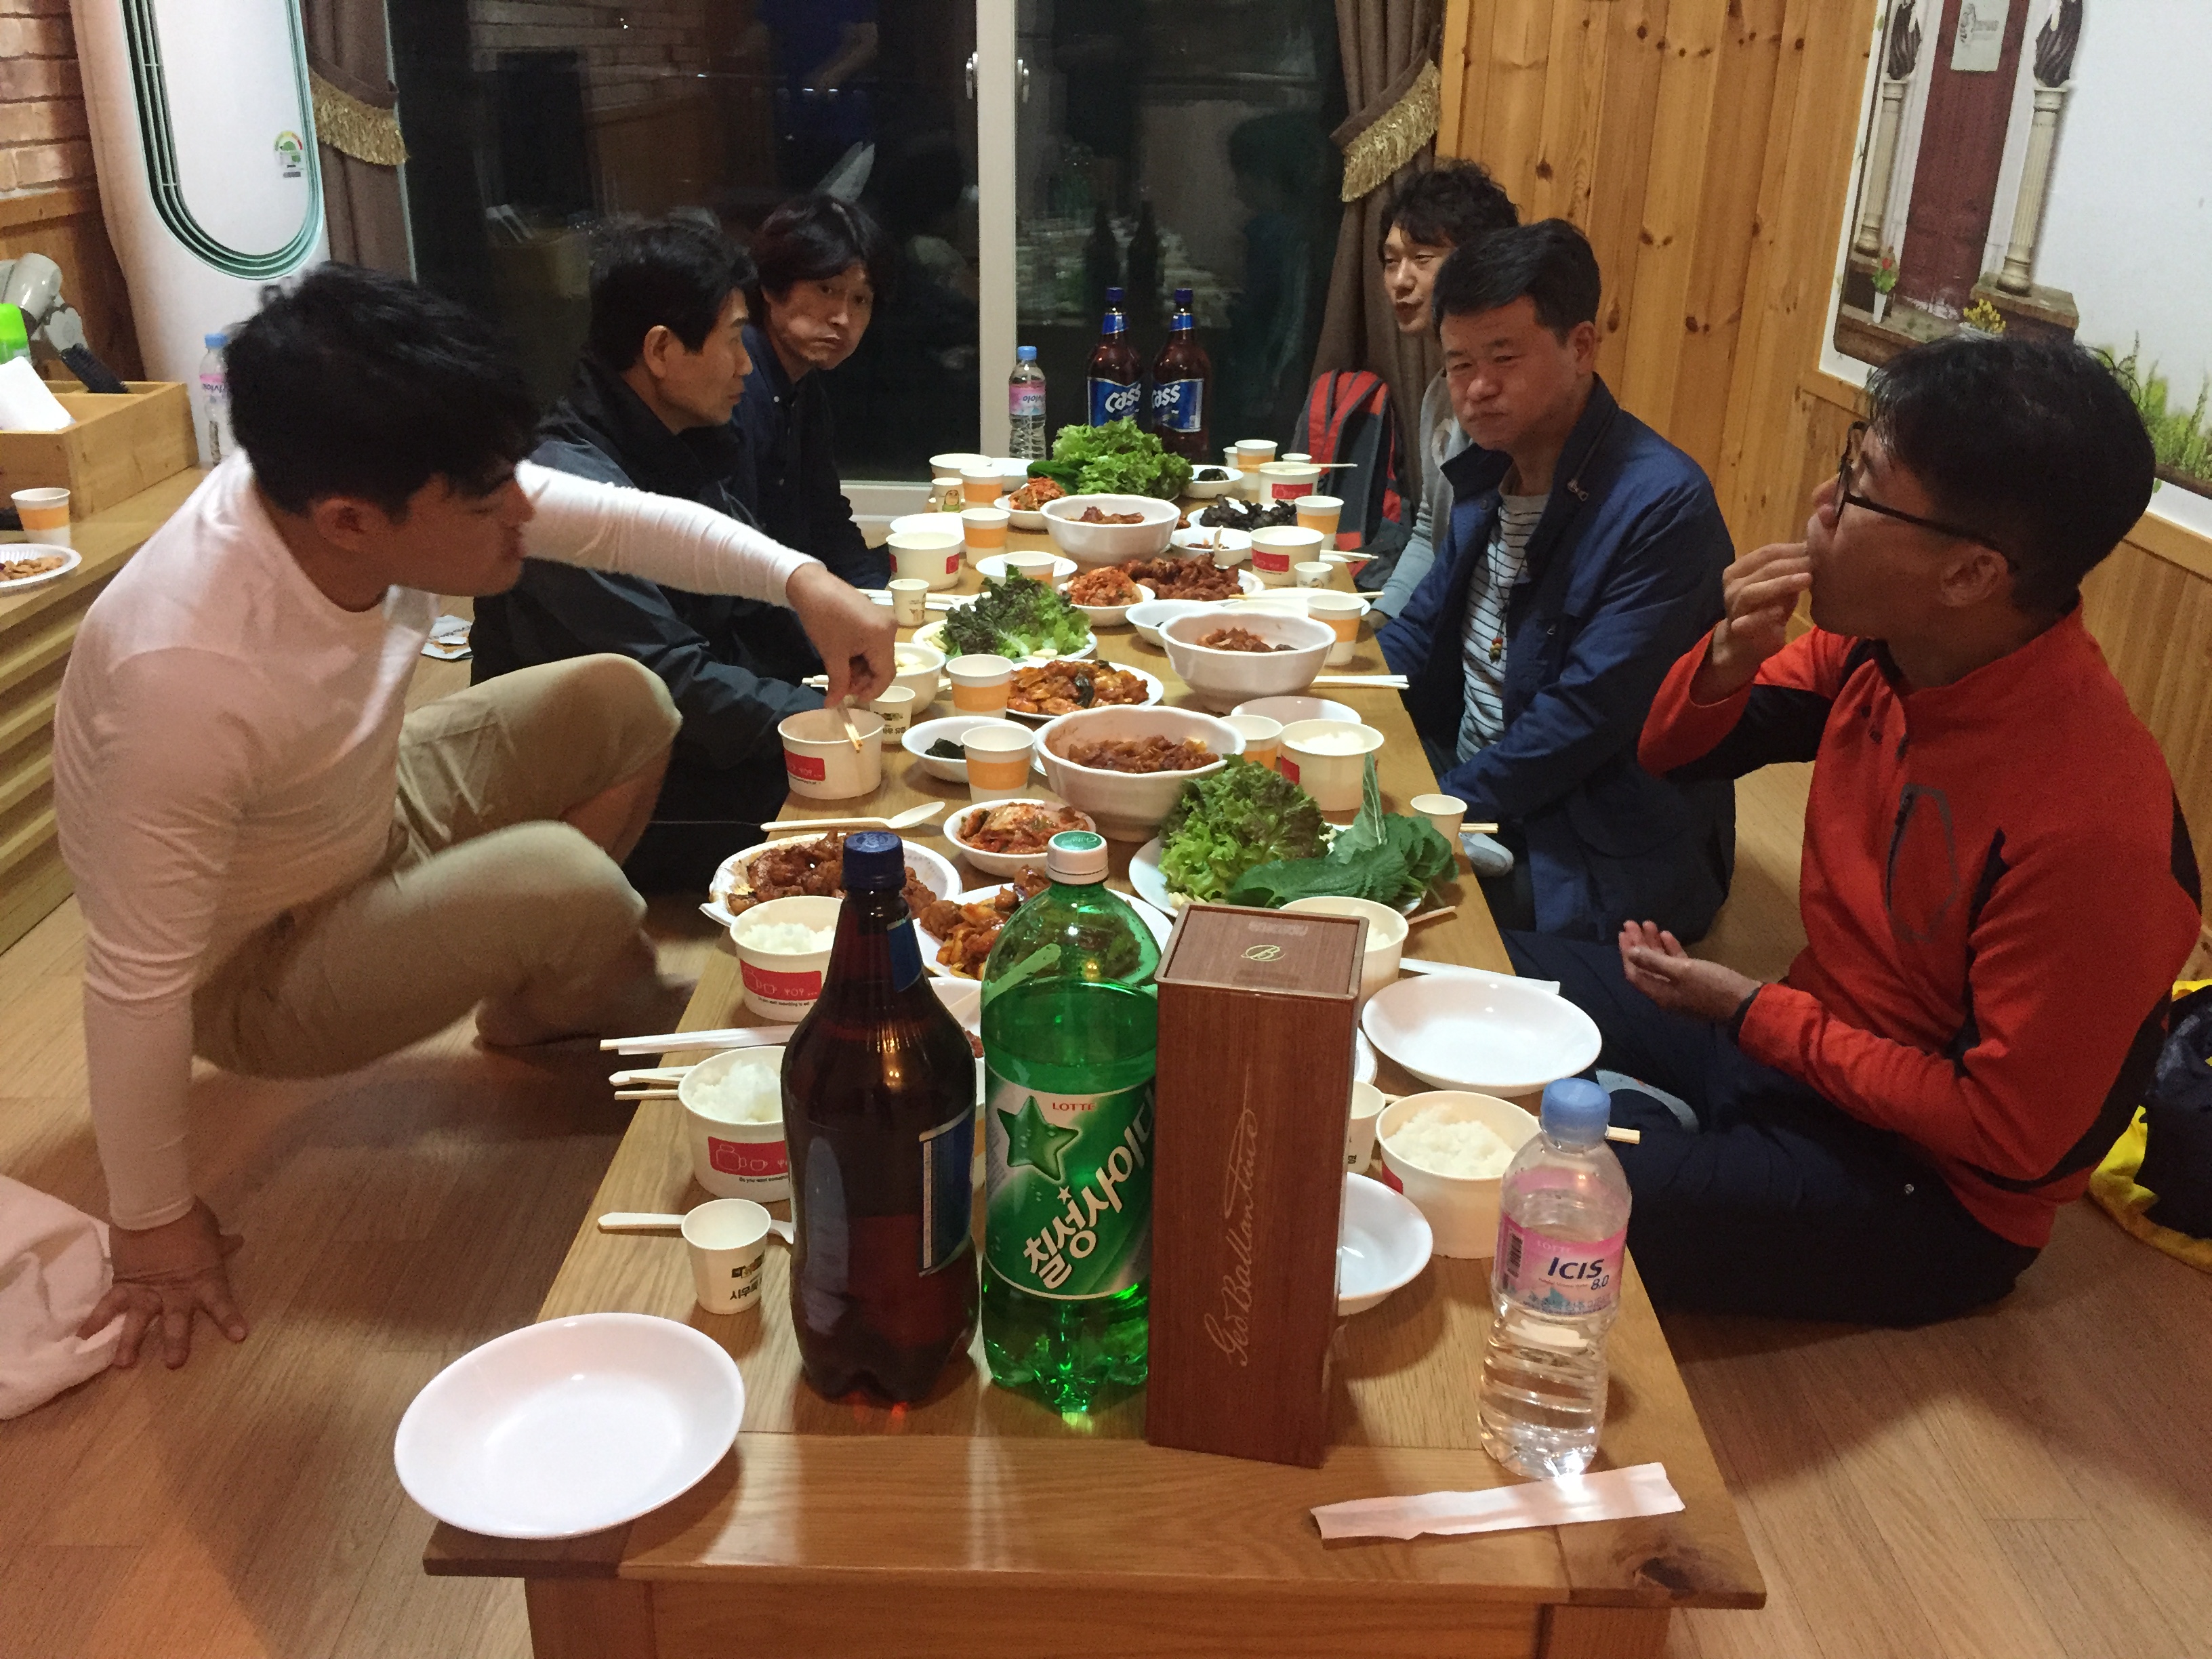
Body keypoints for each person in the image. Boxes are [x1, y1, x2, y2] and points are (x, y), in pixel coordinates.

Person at [55, 263, 895, 1370]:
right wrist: (153, 1227)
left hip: (353, 804)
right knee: (567, 883)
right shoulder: (180, 673)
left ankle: (534, 1001)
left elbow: (613, 525)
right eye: (490, 497)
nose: (526, 511)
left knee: (624, 698)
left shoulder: (344, 480)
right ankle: (563, 954)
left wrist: (802, 581)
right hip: (254, 964)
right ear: (351, 521)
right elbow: (134, 981)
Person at [1507, 335, 2202, 1326]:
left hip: (1929, 1192)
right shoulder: (1889, 653)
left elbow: (2008, 1137)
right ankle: (1662, 1119)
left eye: (1860, 488)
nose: (1821, 506)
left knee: (1518, 1194)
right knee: (1477, 973)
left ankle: (1661, 1129)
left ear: (1970, 573)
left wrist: (1753, 1012)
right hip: (1793, 1050)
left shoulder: (2094, 828)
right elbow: (1674, 751)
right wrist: (1727, 651)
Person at [1377, 220, 1735, 941]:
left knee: (1374, 927)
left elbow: (1580, 721)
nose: (1477, 389)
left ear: (1581, 346)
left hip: (1586, 842)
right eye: (1459, 364)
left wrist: (1426, 813)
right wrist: (1329, 715)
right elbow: (1419, 630)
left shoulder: (1662, 504)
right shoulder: (1490, 465)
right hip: (1478, 778)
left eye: (1504, 357)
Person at [473, 219, 828, 890]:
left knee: (864, 771)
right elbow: (671, 679)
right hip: (585, 786)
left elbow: (756, 598)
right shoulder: (566, 483)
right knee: (848, 814)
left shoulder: (675, 438)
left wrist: (853, 675)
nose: (747, 366)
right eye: (733, 340)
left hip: (678, 743)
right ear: (661, 350)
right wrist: (832, 725)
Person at [1364, 162, 1519, 621]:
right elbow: (1431, 529)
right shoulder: (1438, 393)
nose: (1400, 281)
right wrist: (1379, 621)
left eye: (1423, 258)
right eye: (1391, 261)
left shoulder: (1506, 400)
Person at [735, 193, 897, 581]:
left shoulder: (803, 384)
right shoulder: (735, 384)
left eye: (861, 299)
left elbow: (828, 521)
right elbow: (738, 552)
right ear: (771, 287)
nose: (843, 318)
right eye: (827, 290)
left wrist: (875, 597)